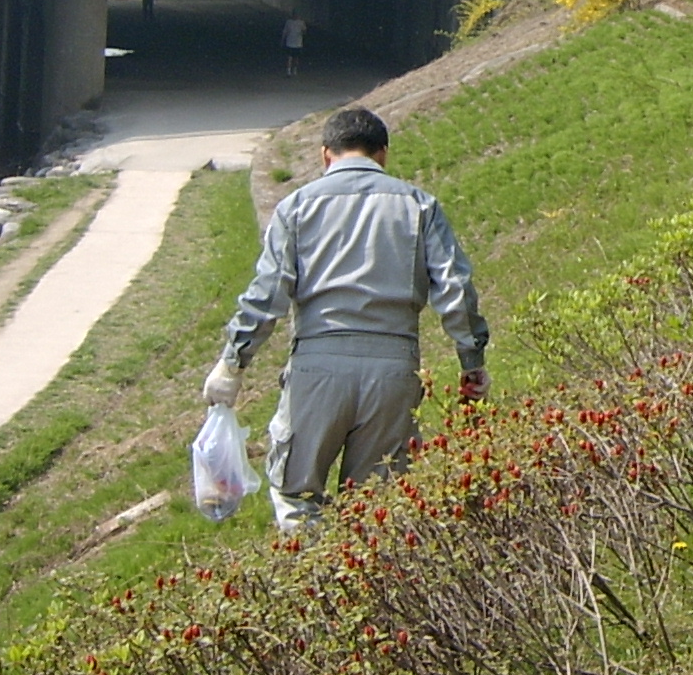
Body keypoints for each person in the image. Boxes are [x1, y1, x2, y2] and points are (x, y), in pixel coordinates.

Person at [201, 105, 489, 530]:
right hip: (393, 371)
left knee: (298, 500)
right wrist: (472, 361)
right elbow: (455, 290)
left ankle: (311, 588)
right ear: (383, 155)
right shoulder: (419, 206)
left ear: (324, 154)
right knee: (378, 510)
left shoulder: (295, 207)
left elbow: (267, 295)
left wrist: (233, 363)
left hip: (317, 368)